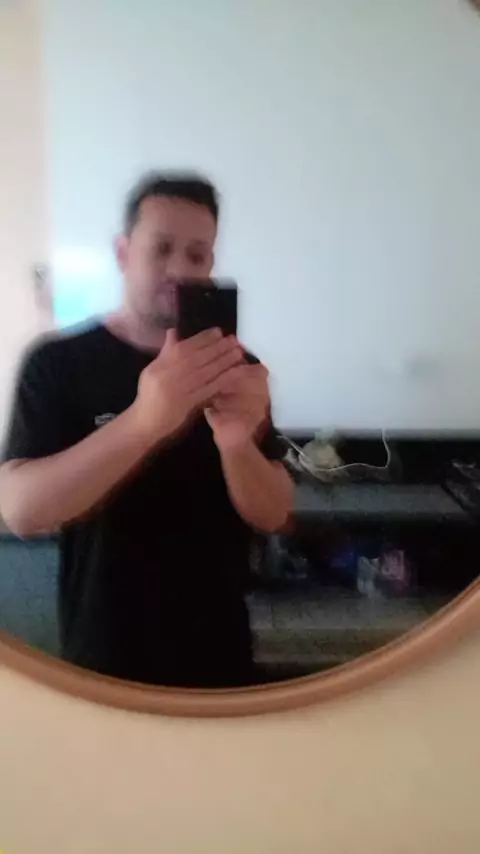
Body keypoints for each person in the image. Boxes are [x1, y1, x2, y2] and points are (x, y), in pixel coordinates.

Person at [0, 172, 293, 688]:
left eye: (197, 255)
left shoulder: (235, 368)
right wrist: (144, 422)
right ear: (122, 253)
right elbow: (23, 512)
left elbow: (275, 513)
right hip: (105, 659)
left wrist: (235, 445)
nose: (179, 269)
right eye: (161, 249)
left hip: (220, 661)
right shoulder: (57, 363)